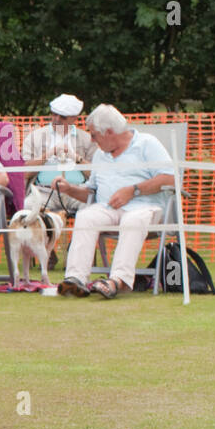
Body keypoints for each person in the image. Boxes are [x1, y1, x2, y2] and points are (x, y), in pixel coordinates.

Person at [54, 104, 175, 299]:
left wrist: (133, 190)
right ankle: (75, 278)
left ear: (109, 132)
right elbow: (90, 193)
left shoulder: (147, 144)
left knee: (132, 220)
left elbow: (171, 179)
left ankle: (118, 280)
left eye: (94, 135)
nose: (92, 140)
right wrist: (69, 189)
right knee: (86, 216)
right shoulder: (101, 154)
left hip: (146, 209)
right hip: (109, 208)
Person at [21, 93, 94, 215]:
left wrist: (74, 157)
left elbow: (96, 173)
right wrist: (48, 154)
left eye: (63, 117)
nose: (57, 119)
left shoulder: (87, 139)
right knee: (28, 207)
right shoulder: (35, 136)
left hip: (77, 192)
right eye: (54, 114)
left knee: (92, 210)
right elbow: (24, 172)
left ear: (74, 118)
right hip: (44, 191)